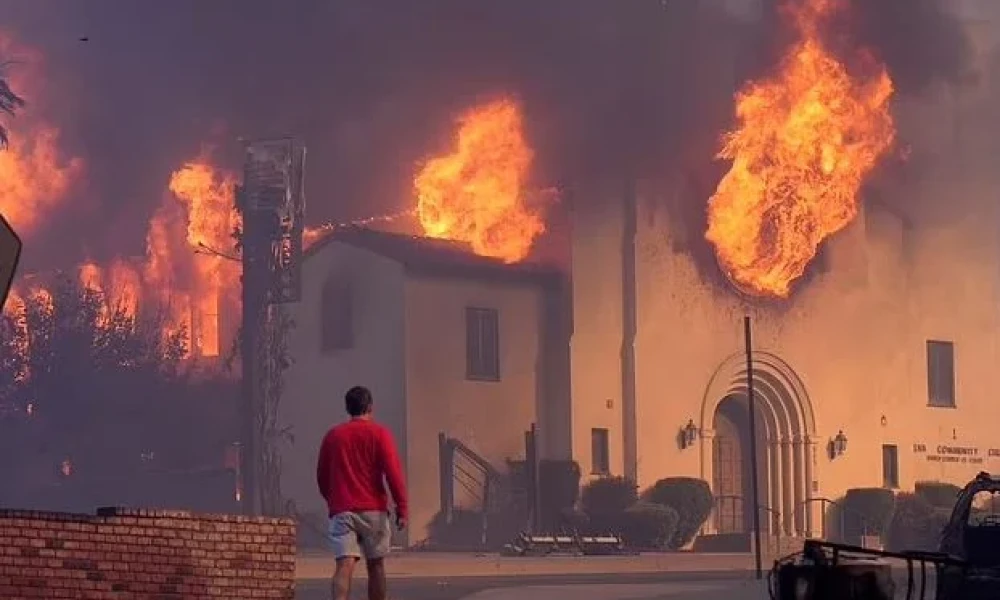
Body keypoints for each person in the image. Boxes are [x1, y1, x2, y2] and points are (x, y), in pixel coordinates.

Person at [316, 385, 408, 600]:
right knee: (376, 565)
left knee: (344, 564)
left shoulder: (334, 436)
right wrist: (402, 508)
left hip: (343, 510)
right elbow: (393, 473)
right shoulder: (380, 434)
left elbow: (321, 474)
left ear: (348, 408)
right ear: (370, 406)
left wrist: (333, 499)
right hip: (374, 510)